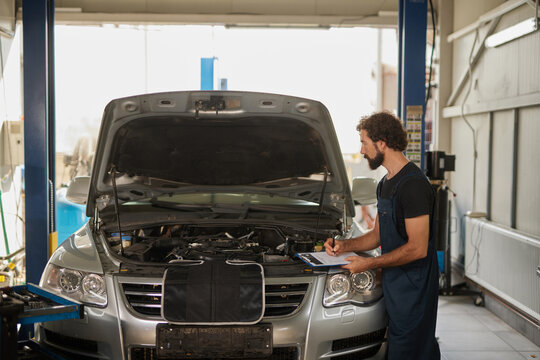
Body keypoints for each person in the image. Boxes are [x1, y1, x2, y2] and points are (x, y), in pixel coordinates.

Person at [325, 111, 440, 360]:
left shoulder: (414, 186)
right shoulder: (385, 183)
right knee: (396, 346)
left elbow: (418, 248)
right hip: (395, 284)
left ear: (382, 143)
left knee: (412, 350)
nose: (362, 151)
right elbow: (377, 235)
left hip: (414, 287)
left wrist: (370, 263)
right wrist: (343, 246)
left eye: (364, 143)